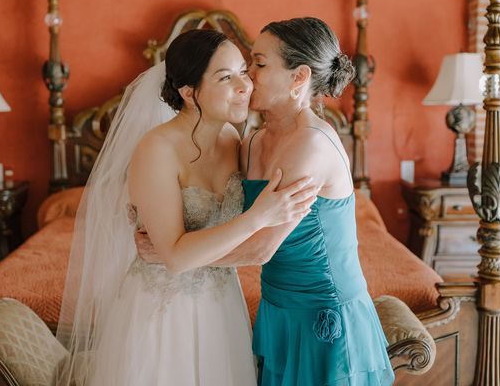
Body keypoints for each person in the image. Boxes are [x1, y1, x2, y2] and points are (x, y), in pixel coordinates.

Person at [138, 17, 394, 385]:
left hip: (321, 312)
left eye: (258, 64)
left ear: (298, 77)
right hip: (277, 310)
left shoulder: (312, 144)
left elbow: (259, 248)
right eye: (242, 68)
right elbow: (216, 207)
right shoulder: (252, 141)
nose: (247, 78)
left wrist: (171, 255)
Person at [56, 29, 317, 386]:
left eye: (244, 71)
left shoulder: (233, 141)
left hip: (222, 307)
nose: (245, 85)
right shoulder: (156, 149)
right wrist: (259, 217)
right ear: (189, 93)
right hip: (163, 310)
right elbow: (175, 258)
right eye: (226, 78)